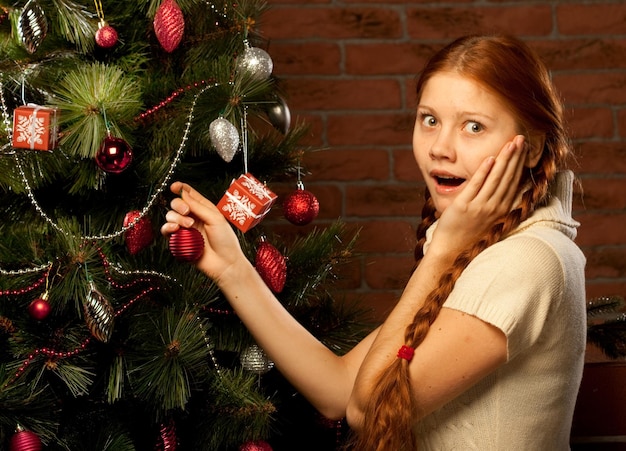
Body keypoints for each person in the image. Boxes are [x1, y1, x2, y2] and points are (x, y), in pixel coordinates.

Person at [161, 34, 586, 450]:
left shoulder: (525, 259)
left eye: (474, 127)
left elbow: (368, 410)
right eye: (430, 120)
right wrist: (231, 266)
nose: (440, 147)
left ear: (529, 149)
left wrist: (438, 257)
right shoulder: (487, 245)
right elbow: (339, 389)